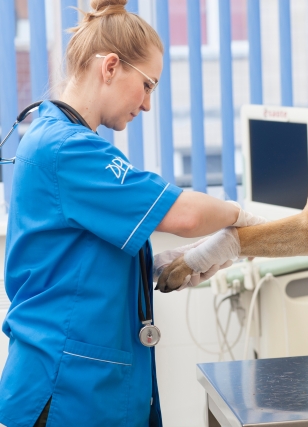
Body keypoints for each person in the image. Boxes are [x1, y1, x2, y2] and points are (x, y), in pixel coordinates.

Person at [0, 1, 261, 425]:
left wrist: (165, 263)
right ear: (110, 67)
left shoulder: (59, 139)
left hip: (82, 381)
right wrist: (239, 218)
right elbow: (185, 215)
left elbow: (77, 261)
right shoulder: (69, 149)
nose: (147, 105)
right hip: (65, 389)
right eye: (148, 85)